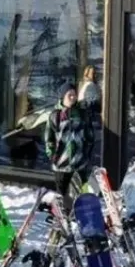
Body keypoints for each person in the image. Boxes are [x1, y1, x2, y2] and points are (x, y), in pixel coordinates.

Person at [45, 81, 95, 209]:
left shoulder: (82, 114)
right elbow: (49, 139)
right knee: (62, 196)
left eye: (74, 94)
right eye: (69, 95)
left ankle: (78, 220)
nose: (73, 97)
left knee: (81, 196)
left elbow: (90, 135)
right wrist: (53, 156)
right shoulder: (55, 115)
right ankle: (62, 221)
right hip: (61, 165)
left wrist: (87, 154)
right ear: (63, 96)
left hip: (80, 164)